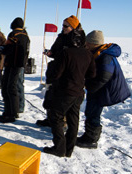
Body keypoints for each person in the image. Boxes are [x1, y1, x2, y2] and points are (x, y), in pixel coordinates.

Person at [42, 17, 96, 157]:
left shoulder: (66, 53)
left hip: (65, 90)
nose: (63, 29)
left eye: (66, 27)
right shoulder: (87, 53)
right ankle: (69, 149)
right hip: (78, 91)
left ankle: (60, 148)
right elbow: (92, 73)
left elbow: (56, 74)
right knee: (73, 120)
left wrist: (55, 76)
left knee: (55, 116)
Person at [76, 30, 130, 149]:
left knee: (93, 113)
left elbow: (104, 76)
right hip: (98, 89)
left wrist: (91, 87)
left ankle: (91, 140)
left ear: (95, 43)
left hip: (101, 90)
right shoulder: (99, 53)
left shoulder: (105, 56)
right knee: (91, 111)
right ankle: (89, 135)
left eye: (88, 43)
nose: (86, 45)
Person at [0, 17, 30, 123]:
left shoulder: (13, 35)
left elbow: (8, 49)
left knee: (8, 88)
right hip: (20, 65)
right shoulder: (26, 36)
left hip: (11, 64)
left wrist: (2, 49)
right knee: (14, 87)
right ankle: (14, 111)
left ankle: (9, 113)